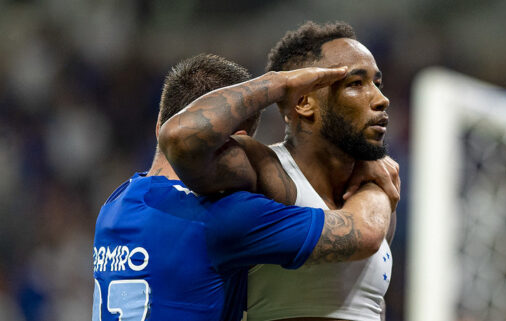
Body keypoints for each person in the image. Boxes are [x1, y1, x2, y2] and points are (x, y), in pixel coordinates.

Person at [93, 53, 397, 321]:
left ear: (158, 124)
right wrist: (371, 176)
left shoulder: (115, 204)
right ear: (233, 143)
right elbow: (363, 233)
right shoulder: (220, 218)